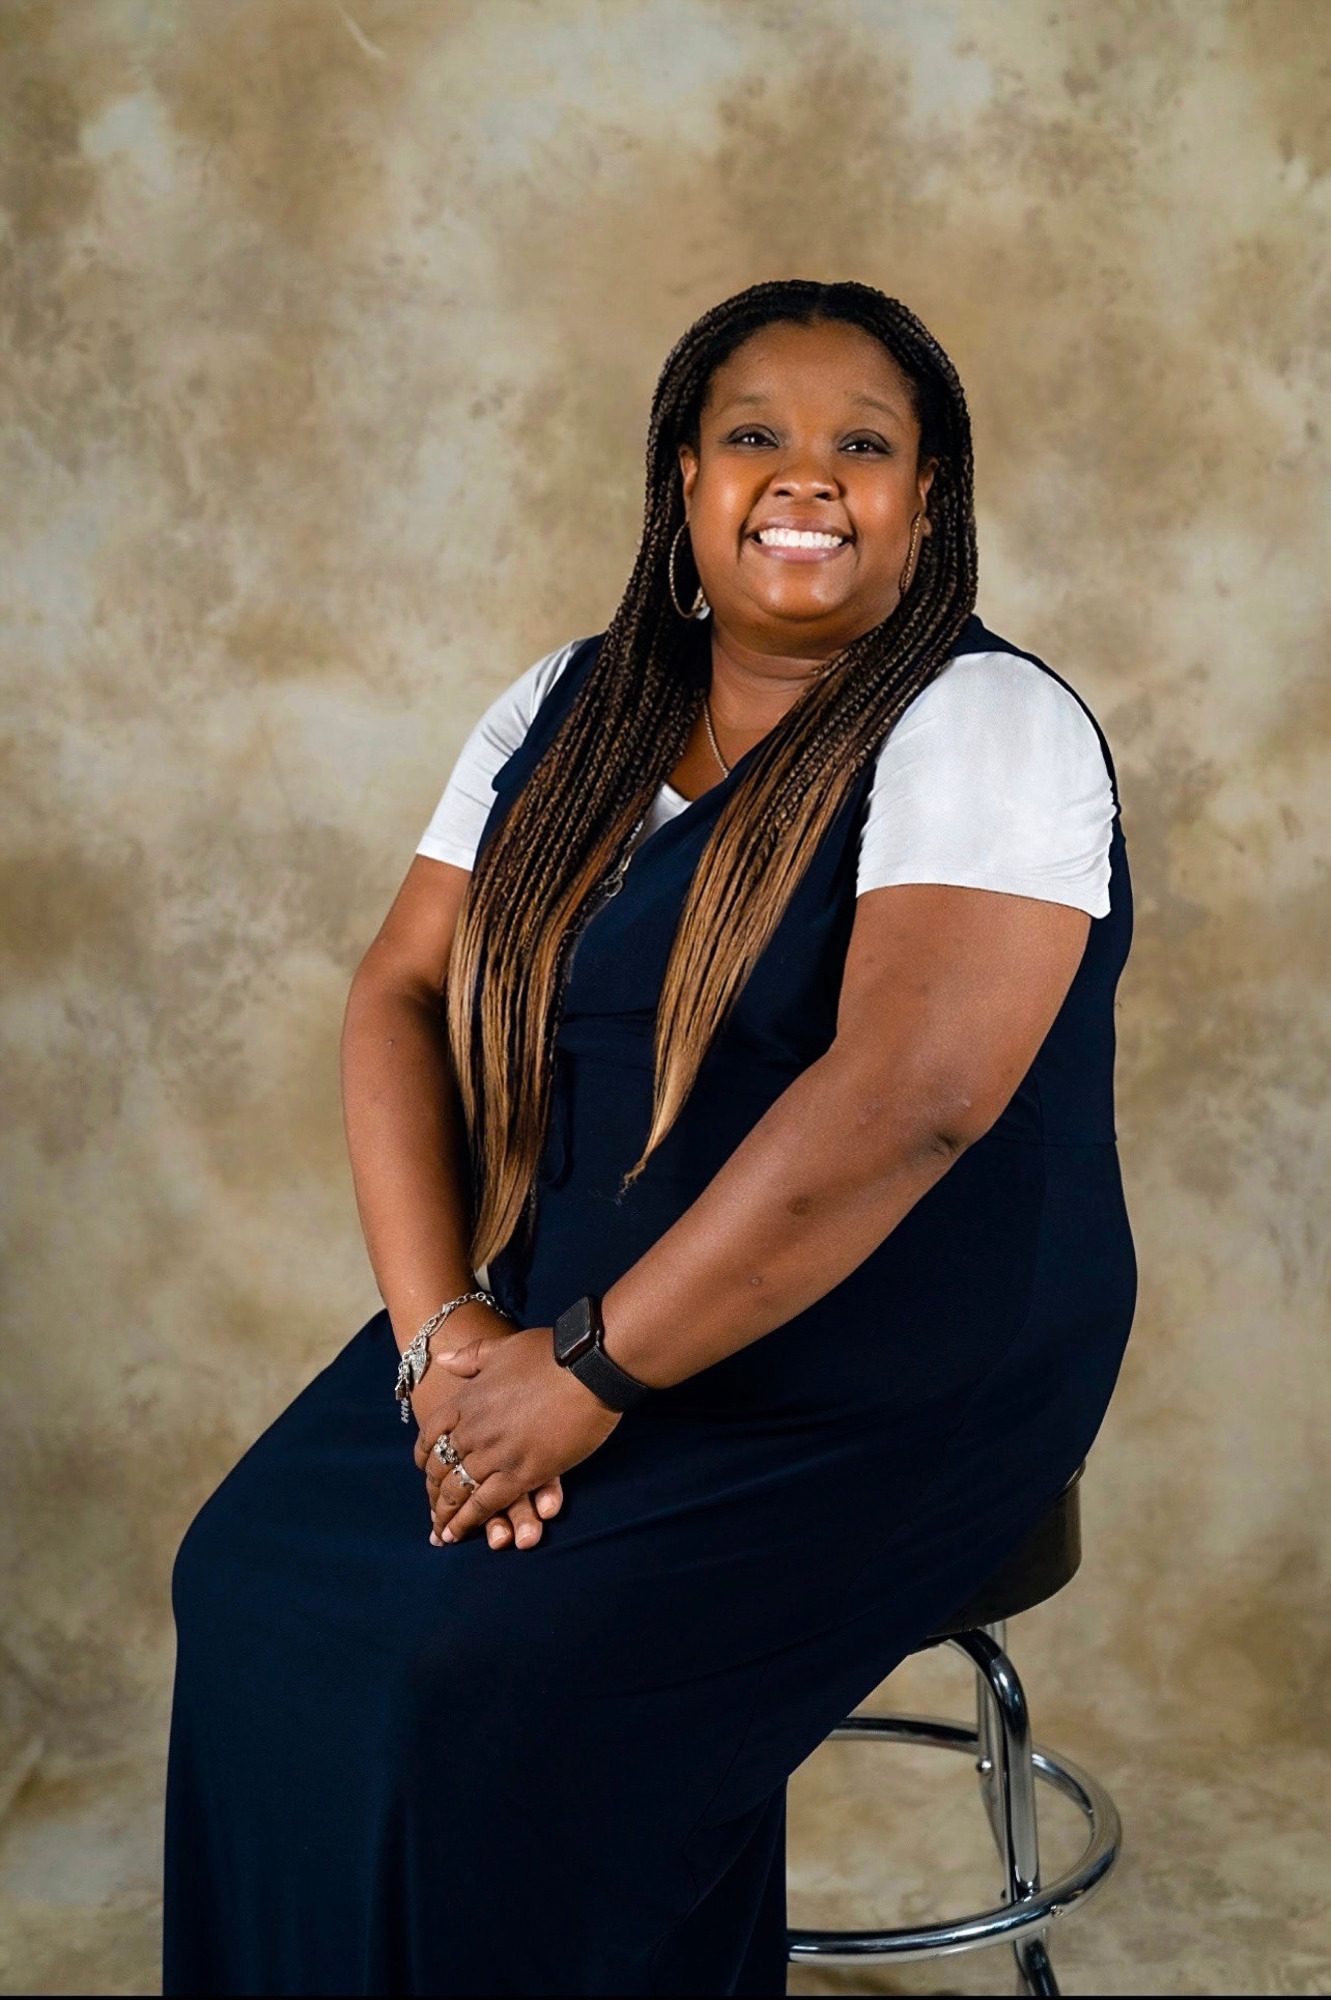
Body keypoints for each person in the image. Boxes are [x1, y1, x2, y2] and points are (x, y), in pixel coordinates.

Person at [162, 278, 1137, 1997]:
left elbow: (907, 1104)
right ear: (685, 477)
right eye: (756, 435)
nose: (806, 476)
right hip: (545, 1314)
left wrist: (590, 1378)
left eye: (864, 447)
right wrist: (444, 1341)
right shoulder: (569, 703)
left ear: (928, 499)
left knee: (484, 1673)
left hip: (885, 1357)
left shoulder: (986, 723)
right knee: (250, 1584)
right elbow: (400, 995)